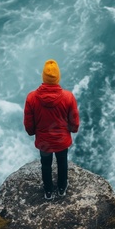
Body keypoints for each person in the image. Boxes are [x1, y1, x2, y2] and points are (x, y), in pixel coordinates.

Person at [23, 59, 80, 200]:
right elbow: (74, 121)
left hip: (44, 141)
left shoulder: (32, 98)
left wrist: (32, 132)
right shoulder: (68, 97)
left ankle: (48, 191)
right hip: (61, 140)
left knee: (46, 165)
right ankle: (62, 189)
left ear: (43, 77)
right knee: (62, 163)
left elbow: (29, 123)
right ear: (58, 77)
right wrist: (72, 129)